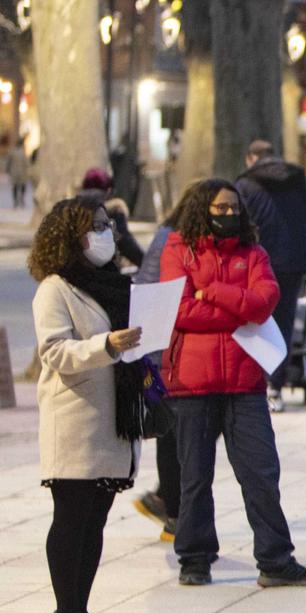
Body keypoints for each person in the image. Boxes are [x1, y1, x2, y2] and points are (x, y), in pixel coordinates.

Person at [158, 179, 306, 589]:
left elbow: (265, 302)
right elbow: (179, 311)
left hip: (244, 382)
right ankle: (194, 558)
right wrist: (238, 309)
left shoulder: (254, 253)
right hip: (193, 383)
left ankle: (275, 559)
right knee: (195, 476)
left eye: (234, 207)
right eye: (220, 207)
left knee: (261, 472)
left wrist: (211, 291)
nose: (228, 214)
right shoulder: (179, 249)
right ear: (202, 209)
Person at [30, 198, 148, 613]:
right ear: (69, 236)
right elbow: (55, 351)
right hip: (76, 417)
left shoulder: (114, 284)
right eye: (95, 226)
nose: (106, 234)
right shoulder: (55, 289)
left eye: (108, 225)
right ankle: (66, 609)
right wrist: (107, 346)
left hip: (114, 417)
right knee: (73, 514)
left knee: (96, 515)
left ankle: (81, 606)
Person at [236, 138, 306, 400]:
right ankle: (276, 384)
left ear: (251, 158)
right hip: (292, 262)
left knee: (253, 319)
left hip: (256, 263)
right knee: (284, 321)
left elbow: (239, 223)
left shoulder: (245, 184)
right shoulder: (297, 180)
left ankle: (253, 380)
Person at [131, 220, 178, 542]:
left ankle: (169, 502)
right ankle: (173, 508)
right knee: (171, 430)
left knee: (177, 434)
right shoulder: (171, 239)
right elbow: (150, 291)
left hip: (183, 353)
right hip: (168, 352)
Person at [78, 168, 144, 268]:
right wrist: (145, 262)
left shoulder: (69, 210)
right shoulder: (112, 209)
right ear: (108, 189)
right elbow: (125, 243)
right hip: (102, 275)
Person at [4, 144, 29, 208]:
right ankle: (21, 198)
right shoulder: (23, 152)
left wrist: (7, 169)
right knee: (22, 186)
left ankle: (15, 200)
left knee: (15, 187)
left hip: (14, 172)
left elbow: (8, 162)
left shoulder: (12, 152)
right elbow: (26, 163)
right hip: (22, 172)